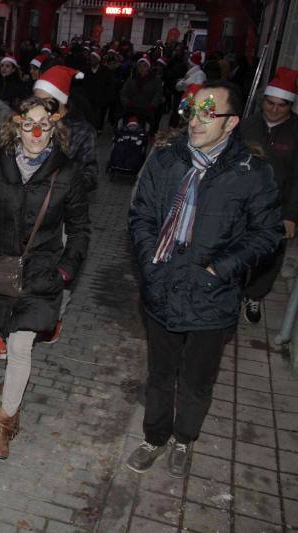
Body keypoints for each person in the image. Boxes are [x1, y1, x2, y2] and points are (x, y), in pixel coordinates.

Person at [127, 81, 282, 478]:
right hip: (162, 288)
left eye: (208, 113)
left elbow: (268, 233)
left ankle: (184, 438)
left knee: (197, 380)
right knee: (161, 375)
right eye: (191, 110)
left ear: (231, 123)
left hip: (213, 297)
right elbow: (141, 216)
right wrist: (151, 263)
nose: (195, 121)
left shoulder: (252, 172)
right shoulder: (166, 160)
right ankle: (154, 437)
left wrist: (220, 270)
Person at [0, 96, 90, 459]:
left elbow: (80, 229)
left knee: (20, 346)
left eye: (44, 125)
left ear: (53, 129)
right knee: (7, 333)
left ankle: (4, 423)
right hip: (1, 270)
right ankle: (14, 389)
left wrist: (65, 270)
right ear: (17, 128)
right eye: (28, 125)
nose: (36, 133)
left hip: (41, 273)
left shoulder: (67, 172)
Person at [0, 64, 98, 360]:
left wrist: (62, 184)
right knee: (12, 275)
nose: (38, 105)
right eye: (36, 97)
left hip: (59, 214)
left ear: (60, 102)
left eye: (46, 99)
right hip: (24, 208)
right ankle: (8, 334)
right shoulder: (27, 125)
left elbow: (91, 174)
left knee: (57, 275)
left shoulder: (82, 130)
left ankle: (53, 317)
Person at [239, 67, 298, 323]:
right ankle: (230, 293)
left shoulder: (296, 132)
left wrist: (291, 215)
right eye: (269, 103)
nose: (273, 110)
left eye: (281, 105)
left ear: (290, 106)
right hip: (243, 204)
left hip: (277, 207)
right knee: (235, 251)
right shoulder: (247, 125)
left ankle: (254, 295)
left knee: (270, 257)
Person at [120, 55, 164, 132]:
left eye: (145, 66)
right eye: (140, 66)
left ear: (149, 67)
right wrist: (126, 102)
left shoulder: (155, 80)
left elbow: (158, 94)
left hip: (147, 110)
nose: (142, 68)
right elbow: (124, 92)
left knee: (146, 130)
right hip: (131, 109)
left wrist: (152, 105)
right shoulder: (131, 79)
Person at [83, 49, 114, 133]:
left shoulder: (106, 71)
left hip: (100, 99)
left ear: (98, 60)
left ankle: (98, 130)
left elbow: (109, 86)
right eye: (91, 57)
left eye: (94, 57)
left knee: (99, 115)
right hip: (87, 98)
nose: (91, 59)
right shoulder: (85, 70)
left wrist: (106, 98)